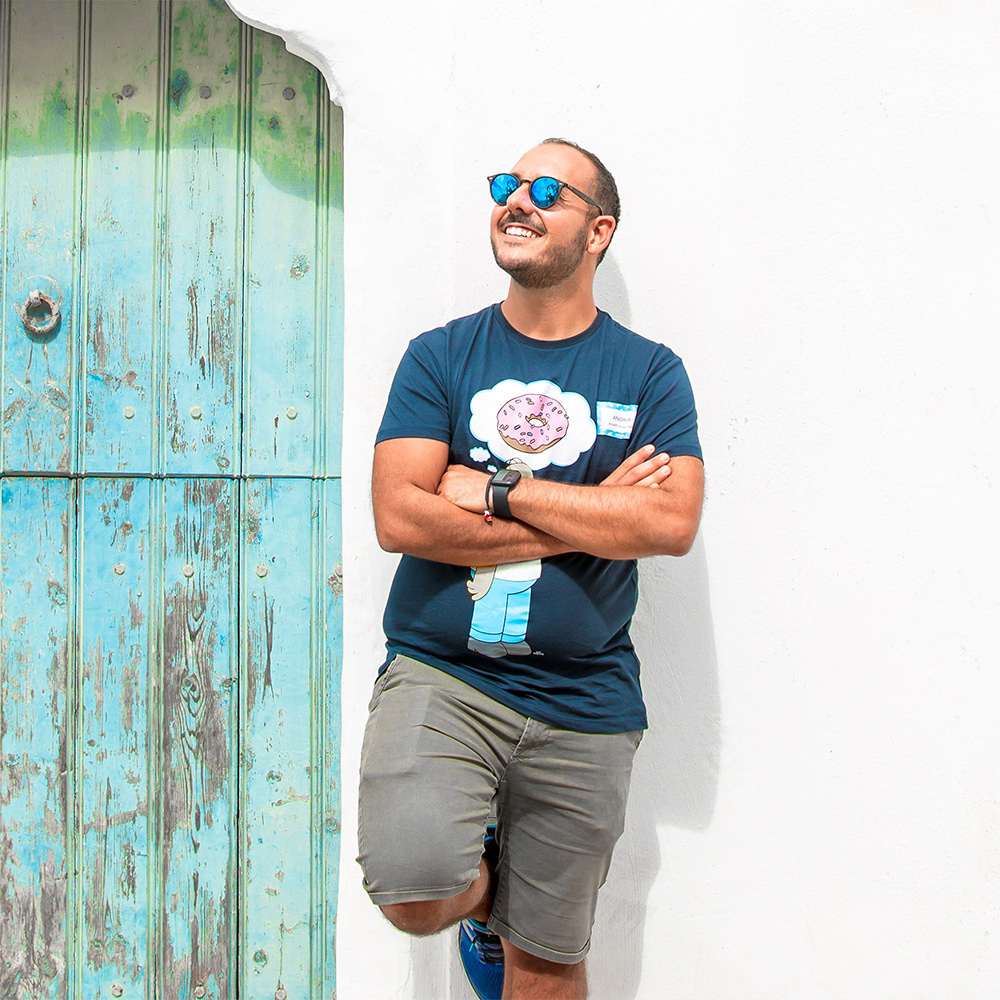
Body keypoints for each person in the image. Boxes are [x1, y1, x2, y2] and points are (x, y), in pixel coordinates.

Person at [359, 138, 704, 1000]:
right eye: (508, 185)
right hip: (445, 676)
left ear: (599, 232)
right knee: (413, 890)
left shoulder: (650, 373)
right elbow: (400, 515)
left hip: (584, 698)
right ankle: (486, 905)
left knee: (546, 966)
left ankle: (513, 919)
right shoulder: (440, 356)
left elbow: (668, 521)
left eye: (547, 191)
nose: (517, 200)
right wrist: (589, 518)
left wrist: (498, 490)